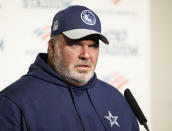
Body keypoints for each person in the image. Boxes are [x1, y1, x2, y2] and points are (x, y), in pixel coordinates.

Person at [0, 5, 139, 131]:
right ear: (52, 47)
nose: (86, 55)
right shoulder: (13, 102)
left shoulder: (116, 99)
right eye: (75, 44)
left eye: (93, 46)